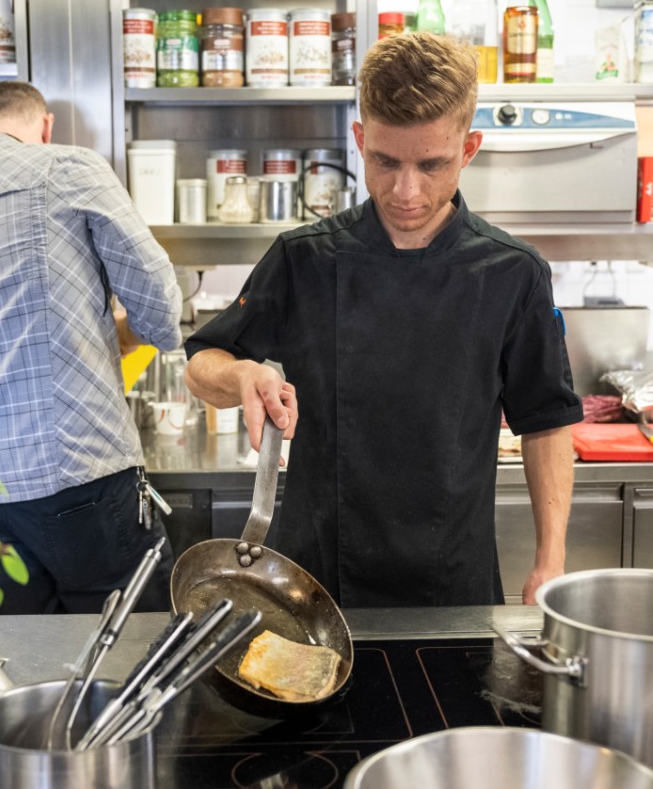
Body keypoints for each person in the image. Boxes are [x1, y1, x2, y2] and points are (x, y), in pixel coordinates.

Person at [184, 33, 584, 608]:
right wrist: (244, 376)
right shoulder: (305, 257)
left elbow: (545, 421)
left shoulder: (512, 273)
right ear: (360, 140)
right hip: (315, 583)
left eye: (432, 164)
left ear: (468, 149)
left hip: (452, 584)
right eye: (385, 160)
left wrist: (550, 560)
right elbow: (201, 363)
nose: (406, 190)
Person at [0, 81, 183, 614]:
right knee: (133, 659)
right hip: (77, 479)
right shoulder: (66, 168)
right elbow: (160, 308)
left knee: (27, 662)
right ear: (46, 126)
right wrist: (134, 330)